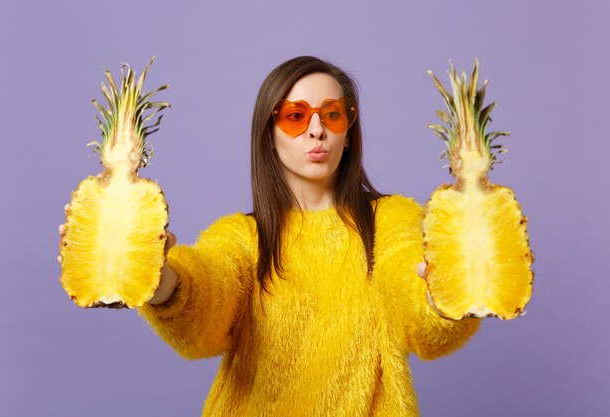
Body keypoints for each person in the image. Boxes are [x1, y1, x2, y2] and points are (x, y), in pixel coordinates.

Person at [139, 56, 480, 416]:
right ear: (268, 136)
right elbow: (207, 291)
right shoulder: (242, 236)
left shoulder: (391, 219)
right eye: (295, 116)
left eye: (332, 114)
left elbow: (409, 288)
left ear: (348, 134)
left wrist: (443, 291)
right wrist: (158, 276)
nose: (317, 130)